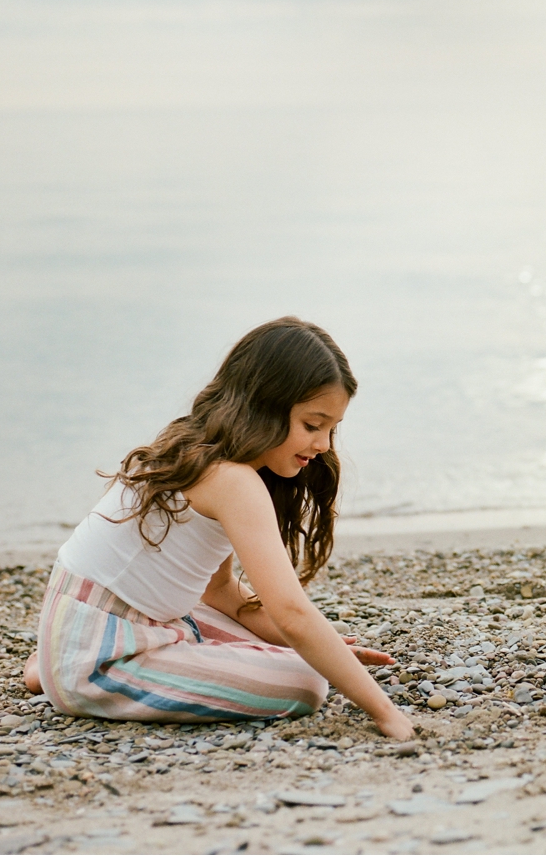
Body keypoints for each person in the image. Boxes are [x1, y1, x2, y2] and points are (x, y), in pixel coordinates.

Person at [24, 316, 414, 740]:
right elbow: (293, 613)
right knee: (307, 683)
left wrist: (329, 651)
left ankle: (53, 660)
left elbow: (219, 591)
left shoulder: (194, 447)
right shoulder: (233, 480)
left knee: (300, 651)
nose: (323, 445)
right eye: (311, 425)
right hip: (105, 658)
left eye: (331, 429)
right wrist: (383, 709)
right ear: (265, 406)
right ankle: (67, 670)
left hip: (85, 619)